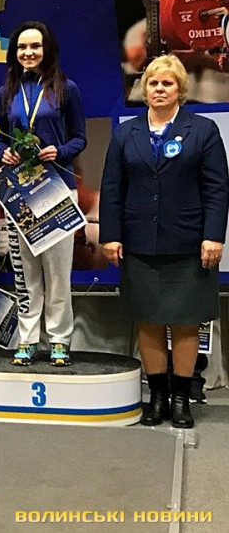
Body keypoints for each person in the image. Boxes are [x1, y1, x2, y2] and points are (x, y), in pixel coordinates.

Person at [99, 54, 229, 428]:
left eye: (167, 83)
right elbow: (112, 187)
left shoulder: (202, 130)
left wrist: (213, 236)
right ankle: (157, 397)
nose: (159, 88)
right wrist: (111, 235)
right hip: (139, 243)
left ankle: (181, 398)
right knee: (150, 321)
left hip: (189, 244)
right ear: (145, 89)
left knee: (186, 323)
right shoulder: (126, 133)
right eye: (153, 83)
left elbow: (217, 188)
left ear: (180, 89)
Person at [0, 20, 86, 366]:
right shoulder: (6, 93)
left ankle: (59, 339)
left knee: (58, 273)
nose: (28, 52)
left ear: (47, 50)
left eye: (35, 46)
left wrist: (59, 152)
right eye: (22, 47)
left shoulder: (66, 88)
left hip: (58, 189)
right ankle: (29, 338)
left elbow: (80, 137)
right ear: (14, 52)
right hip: (22, 192)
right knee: (27, 273)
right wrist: (3, 151)